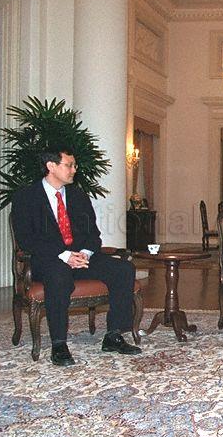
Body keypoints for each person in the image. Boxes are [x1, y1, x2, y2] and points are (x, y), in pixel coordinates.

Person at [11, 148, 142, 366]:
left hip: (81, 258)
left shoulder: (77, 195)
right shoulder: (26, 197)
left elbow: (93, 234)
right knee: (59, 274)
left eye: (74, 165)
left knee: (123, 269)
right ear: (51, 166)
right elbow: (27, 239)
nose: (74, 170)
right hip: (48, 260)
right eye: (69, 165)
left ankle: (113, 336)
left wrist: (85, 253)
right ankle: (59, 344)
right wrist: (64, 255)